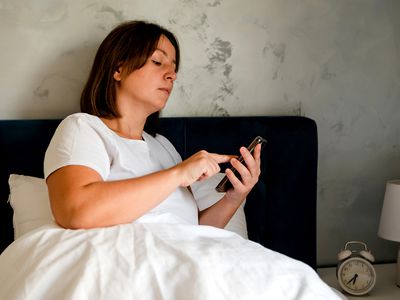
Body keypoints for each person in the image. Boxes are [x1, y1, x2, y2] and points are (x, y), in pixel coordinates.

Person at [44, 20, 262, 230]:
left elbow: (191, 230)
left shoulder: (163, 147)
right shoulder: (83, 128)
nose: (172, 75)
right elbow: (75, 210)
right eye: (157, 62)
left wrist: (233, 199)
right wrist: (179, 173)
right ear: (118, 69)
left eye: (174, 68)